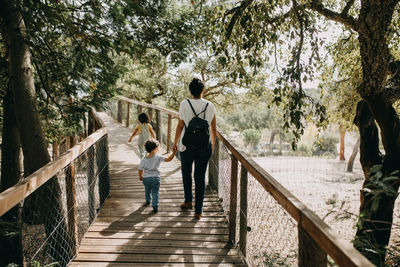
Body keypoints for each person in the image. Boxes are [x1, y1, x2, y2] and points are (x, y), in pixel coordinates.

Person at [172, 78, 217, 220]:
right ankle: (198, 211)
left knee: (186, 172)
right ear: (203, 90)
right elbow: (213, 128)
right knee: (200, 177)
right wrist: (212, 145)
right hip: (204, 146)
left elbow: (180, 125)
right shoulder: (210, 106)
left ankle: (188, 201)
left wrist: (175, 142)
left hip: (186, 145)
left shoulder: (185, 104)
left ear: (190, 91)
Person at [138, 139, 177, 213]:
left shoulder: (144, 158)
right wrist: (173, 153)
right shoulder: (158, 157)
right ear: (155, 149)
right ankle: (155, 206)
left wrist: (140, 176)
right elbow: (168, 159)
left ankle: (147, 200)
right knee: (155, 192)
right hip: (155, 178)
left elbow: (140, 168)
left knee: (147, 189)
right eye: (158, 147)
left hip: (146, 179)